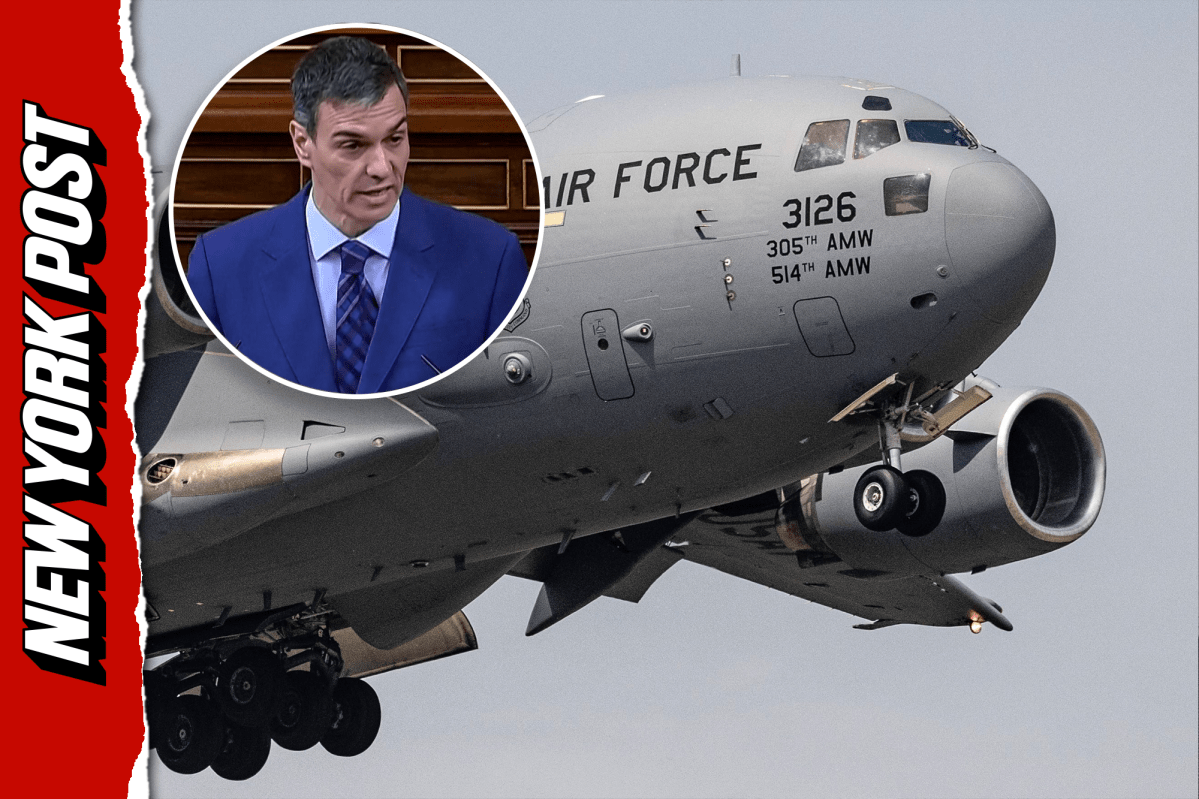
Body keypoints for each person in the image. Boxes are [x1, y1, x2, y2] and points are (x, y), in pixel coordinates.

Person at [187, 35, 529, 394]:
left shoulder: (490, 260)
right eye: (353, 145)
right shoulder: (219, 266)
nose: (382, 168)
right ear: (302, 144)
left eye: (395, 139)